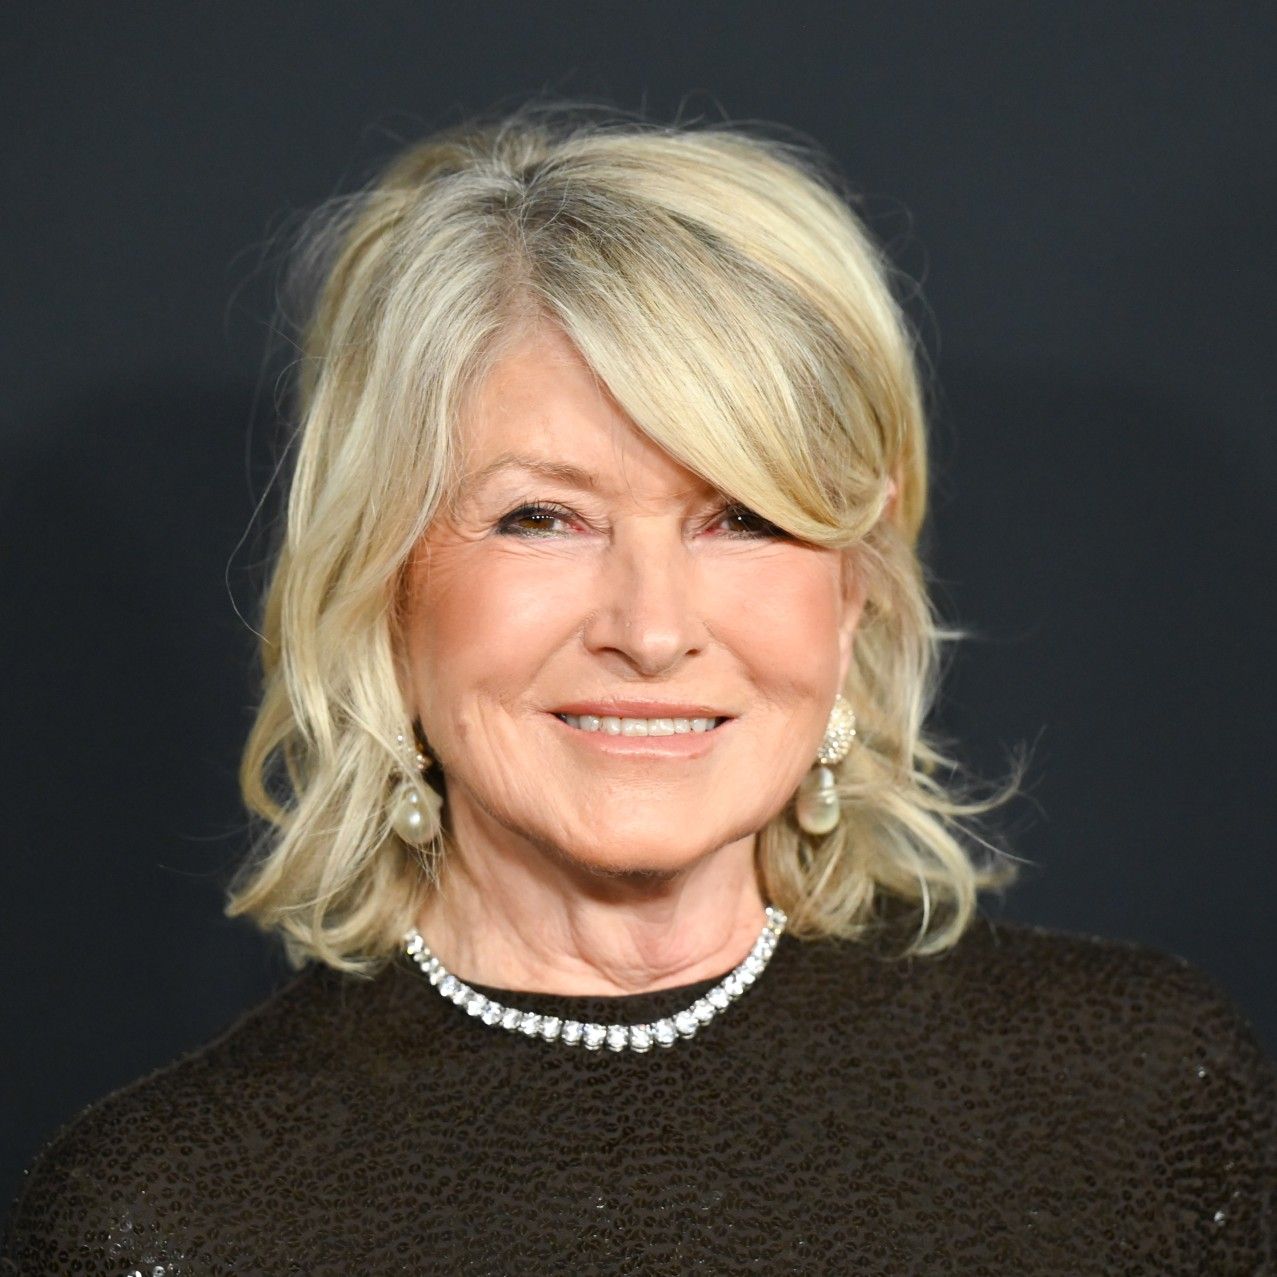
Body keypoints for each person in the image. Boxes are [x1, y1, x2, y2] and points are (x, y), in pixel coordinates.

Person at [3, 100, 1273, 1275]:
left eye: (740, 517)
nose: (652, 629)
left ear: (858, 584)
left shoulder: (1131, 1091)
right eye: (542, 516)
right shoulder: (166, 1217)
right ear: (380, 580)